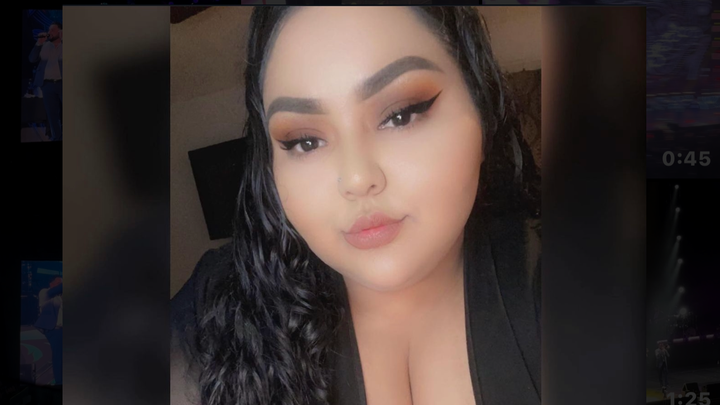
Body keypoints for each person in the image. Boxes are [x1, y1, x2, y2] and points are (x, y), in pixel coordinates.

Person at [171, 7, 541, 405]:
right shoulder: (219, 303)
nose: (356, 178)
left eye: (401, 115)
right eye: (305, 141)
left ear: (482, 111)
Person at [29, 22, 63, 142]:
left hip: (64, 84)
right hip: (47, 85)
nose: (49, 33)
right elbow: (32, 59)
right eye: (49, 30)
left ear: (61, 32)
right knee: (52, 115)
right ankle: (57, 138)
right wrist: (39, 43)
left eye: (53, 30)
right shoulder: (44, 45)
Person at [35, 277, 63, 385]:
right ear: (51, 283)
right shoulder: (45, 292)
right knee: (58, 356)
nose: (61, 284)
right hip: (54, 330)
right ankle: (59, 382)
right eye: (59, 282)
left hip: (62, 329)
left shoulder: (60, 295)